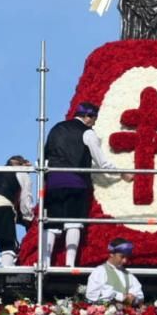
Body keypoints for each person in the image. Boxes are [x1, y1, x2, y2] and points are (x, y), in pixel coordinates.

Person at [43, 101, 134, 267]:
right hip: (76, 181)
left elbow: (44, 158)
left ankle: (46, 263)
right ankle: (70, 264)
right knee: (73, 223)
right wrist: (121, 172)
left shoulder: (56, 129)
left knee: (51, 224)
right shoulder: (87, 133)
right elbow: (101, 162)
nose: (94, 123)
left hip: (53, 182)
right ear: (88, 117)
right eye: (94, 118)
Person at [85, 238, 144, 304]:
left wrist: (133, 299)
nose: (125, 261)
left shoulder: (129, 275)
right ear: (112, 254)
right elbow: (92, 297)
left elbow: (140, 295)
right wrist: (119, 297)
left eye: (127, 257)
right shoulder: (99, 272)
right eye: (122, 257)